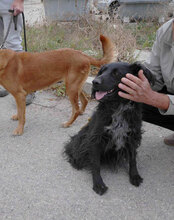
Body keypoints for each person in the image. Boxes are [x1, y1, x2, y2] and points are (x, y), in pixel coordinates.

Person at [118, 18, 174, 146]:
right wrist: (134, 83)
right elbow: (153, 74)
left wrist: (153, 98)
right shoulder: (166, 31)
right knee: (129, 98)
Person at [0, 0, 35, 105]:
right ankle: (5, 83)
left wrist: (19, 1)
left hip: (8, 3)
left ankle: (28, 87)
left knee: (14, 47)